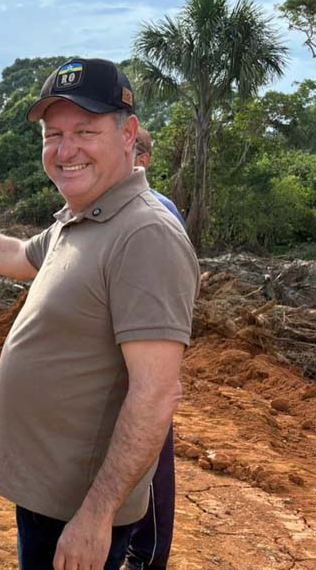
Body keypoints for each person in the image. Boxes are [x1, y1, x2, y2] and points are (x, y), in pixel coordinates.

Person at [0, 58, 199, 570]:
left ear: (128, 134)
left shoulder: (144, 234)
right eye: (53, 134)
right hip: (49, 500)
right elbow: (17, 255)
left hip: (79, 511)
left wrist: (97, 515)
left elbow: (156, 394)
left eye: (85, 131)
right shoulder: (82, 219)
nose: (65, 149)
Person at [122, 126, 184, 570]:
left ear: (140, 159)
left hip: (145, 356)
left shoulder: (157, 212)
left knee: (151, 456)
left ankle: (147, 556)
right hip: (119, 357)